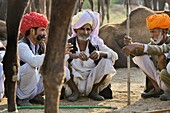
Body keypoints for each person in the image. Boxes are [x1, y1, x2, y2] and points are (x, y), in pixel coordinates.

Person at [64, 10, 118, 102]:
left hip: (92, 79)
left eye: (88, 29)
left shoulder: (96, 43)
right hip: (74, 80)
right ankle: (75, 92)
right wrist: (74, 55)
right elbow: (58, 58)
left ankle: (93, 91)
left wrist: (100, 53)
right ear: (76, 29)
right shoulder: (69, 43)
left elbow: (115, 55)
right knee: (61, 63)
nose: (85, 32)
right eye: (82, 29)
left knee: (107, 61)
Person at [122, 13, 170, 100]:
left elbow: (160, 49)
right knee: (141, 57)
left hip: (167, 77)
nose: (151, 35)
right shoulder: (154, 42)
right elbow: (140, 52)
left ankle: (168, 91)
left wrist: (137, 45)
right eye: (150, 32)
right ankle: (157, 89)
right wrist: (131, 45)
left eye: (154, 32)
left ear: (163, 32)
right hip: (159, 78)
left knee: (161, 56)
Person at [16, 12, 48, 106]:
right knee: (30, 67)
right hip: (20, 89)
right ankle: (22, 99)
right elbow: (34, 61)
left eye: (45, 30)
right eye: (42, 30)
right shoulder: (22, 46)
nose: (44, 34)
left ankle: (35, 96)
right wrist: (53, 53)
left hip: (33, 85)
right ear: (32, 31)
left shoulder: (41, 45)